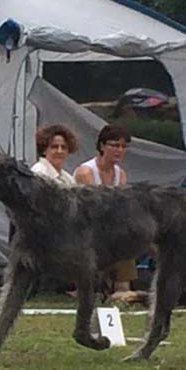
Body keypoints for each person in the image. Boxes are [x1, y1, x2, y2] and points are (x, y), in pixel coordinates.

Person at [74, 124, 139, 302]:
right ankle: (117, 286)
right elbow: (91, 209)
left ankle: (123, 286)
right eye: (114, 145)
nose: (119, 150)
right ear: (102, 146)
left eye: (123, 146)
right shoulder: (86, 172)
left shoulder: (120, 174)